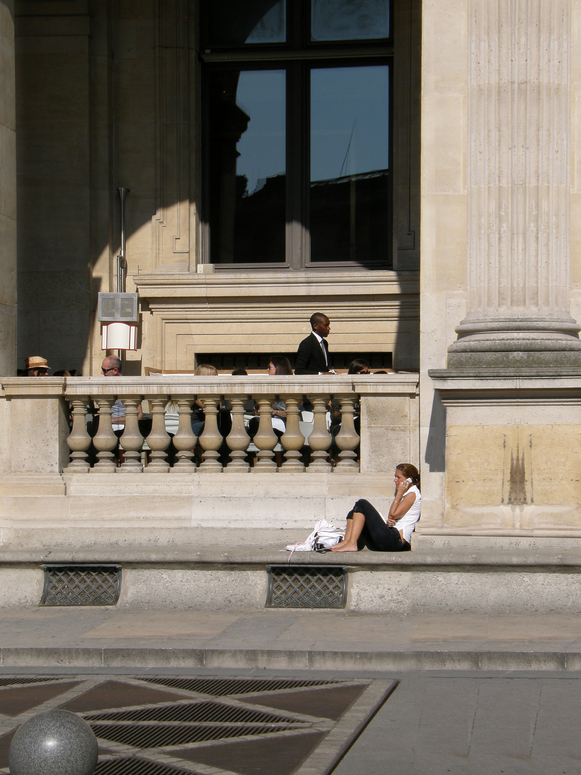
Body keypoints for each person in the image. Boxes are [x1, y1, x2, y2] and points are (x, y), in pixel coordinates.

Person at [331, 463, 421, 552]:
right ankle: (347, 541)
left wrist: (399, 494)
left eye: (398, 477)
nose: (395, 480)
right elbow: (394, 517)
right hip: (391, 537)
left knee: (362, 504)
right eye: (395, 477)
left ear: (409, 479)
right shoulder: (408, 494)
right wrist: (391, 523)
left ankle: (352, 543)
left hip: (394, 540)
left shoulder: (412, 494)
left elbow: (393, 515)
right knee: (355, 511)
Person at [101, 355, 142, 433]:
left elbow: (139, 416)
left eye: (105, 370)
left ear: (115, 370)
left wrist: (112, 420)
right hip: (107, 427)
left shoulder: (130, 387)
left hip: (126, 427)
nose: (102, 372)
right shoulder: (105, 386)